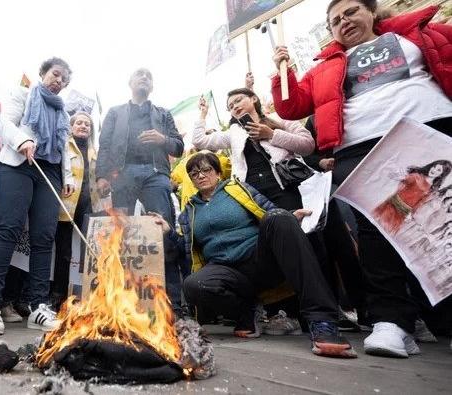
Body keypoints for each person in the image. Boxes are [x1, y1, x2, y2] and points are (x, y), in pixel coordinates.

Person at [271, 0, 452, 357]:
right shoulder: (324, 67)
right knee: (379, 232)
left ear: (373, 12)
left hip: (428, 129)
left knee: (443, 220)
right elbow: (292, 107)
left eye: (351, 11)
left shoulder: (419, 35)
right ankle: (392, 322)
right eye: (335, 20)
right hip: (364, 147)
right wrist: (282, 72)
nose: (343, 21)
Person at [153, 152, 356, 358]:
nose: (201, 176)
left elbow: (269, 210)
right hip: (226, 271)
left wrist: (288, 217)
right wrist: (169, 230)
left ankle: (322, 320)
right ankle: (246, 311)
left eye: (206, 170)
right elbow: (185, 249)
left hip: (259, 258)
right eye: (195, 173)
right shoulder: (188, 212)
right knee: (193, 285)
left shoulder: (238, 189)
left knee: (278, 217)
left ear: (217, 172)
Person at [0, 57, 74, 335]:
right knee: (8, 230)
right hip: (17, 165)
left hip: (49, 174)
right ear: (43, 73)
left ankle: (38, 306)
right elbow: (3, 122)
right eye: (56, 74)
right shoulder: (22, 94)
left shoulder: (63, 113)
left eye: (64, 79)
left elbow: (64, 148)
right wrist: (23, 140)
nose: (59, 81)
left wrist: (68, 178)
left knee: (44, 238)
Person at [95, 68, 185, 314]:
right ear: (130, 82)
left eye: (149, 76)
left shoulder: (163, 114)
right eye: (139, 75)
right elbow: (104, 145)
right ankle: (118, 300)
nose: (144, 78)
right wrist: (102, 176)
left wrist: (162, 139)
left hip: (155, 175)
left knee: (162, 232)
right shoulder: (115, 112)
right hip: (122, 176)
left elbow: (179, 147)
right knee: (120, 234)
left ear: (152, 85)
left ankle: (173, 305)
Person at [193, 88, 314, 211]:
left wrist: (272, 134)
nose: (235, 106)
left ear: (253, 98)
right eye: (231, 106)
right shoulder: (233, 133)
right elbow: (199, 140)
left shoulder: (279, 118)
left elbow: (308, 145)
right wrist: (203, 113)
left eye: (238, 100)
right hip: (253, 197)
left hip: (286, 188)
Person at [52, 111, 98, 306]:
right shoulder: (65, 145)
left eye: (87, 124)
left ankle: (92, 296)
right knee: (63, 251)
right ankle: (58, 297)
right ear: (71, 127)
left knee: (92, 250)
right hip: (68, 203)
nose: (83, 126)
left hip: (89, 205)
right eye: (79, 123)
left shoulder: (95, 151)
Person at [373, 160, 452, 235]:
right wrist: (398, 175)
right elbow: (405, 178)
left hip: (403, 213)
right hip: (391, 206)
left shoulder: (432, 189)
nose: (433, 170)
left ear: (441, 174)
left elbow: (420, 203)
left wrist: (411, 214)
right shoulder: (417, 177)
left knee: (386, 232)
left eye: (438, 170)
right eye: (434, 166)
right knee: (376, 227)